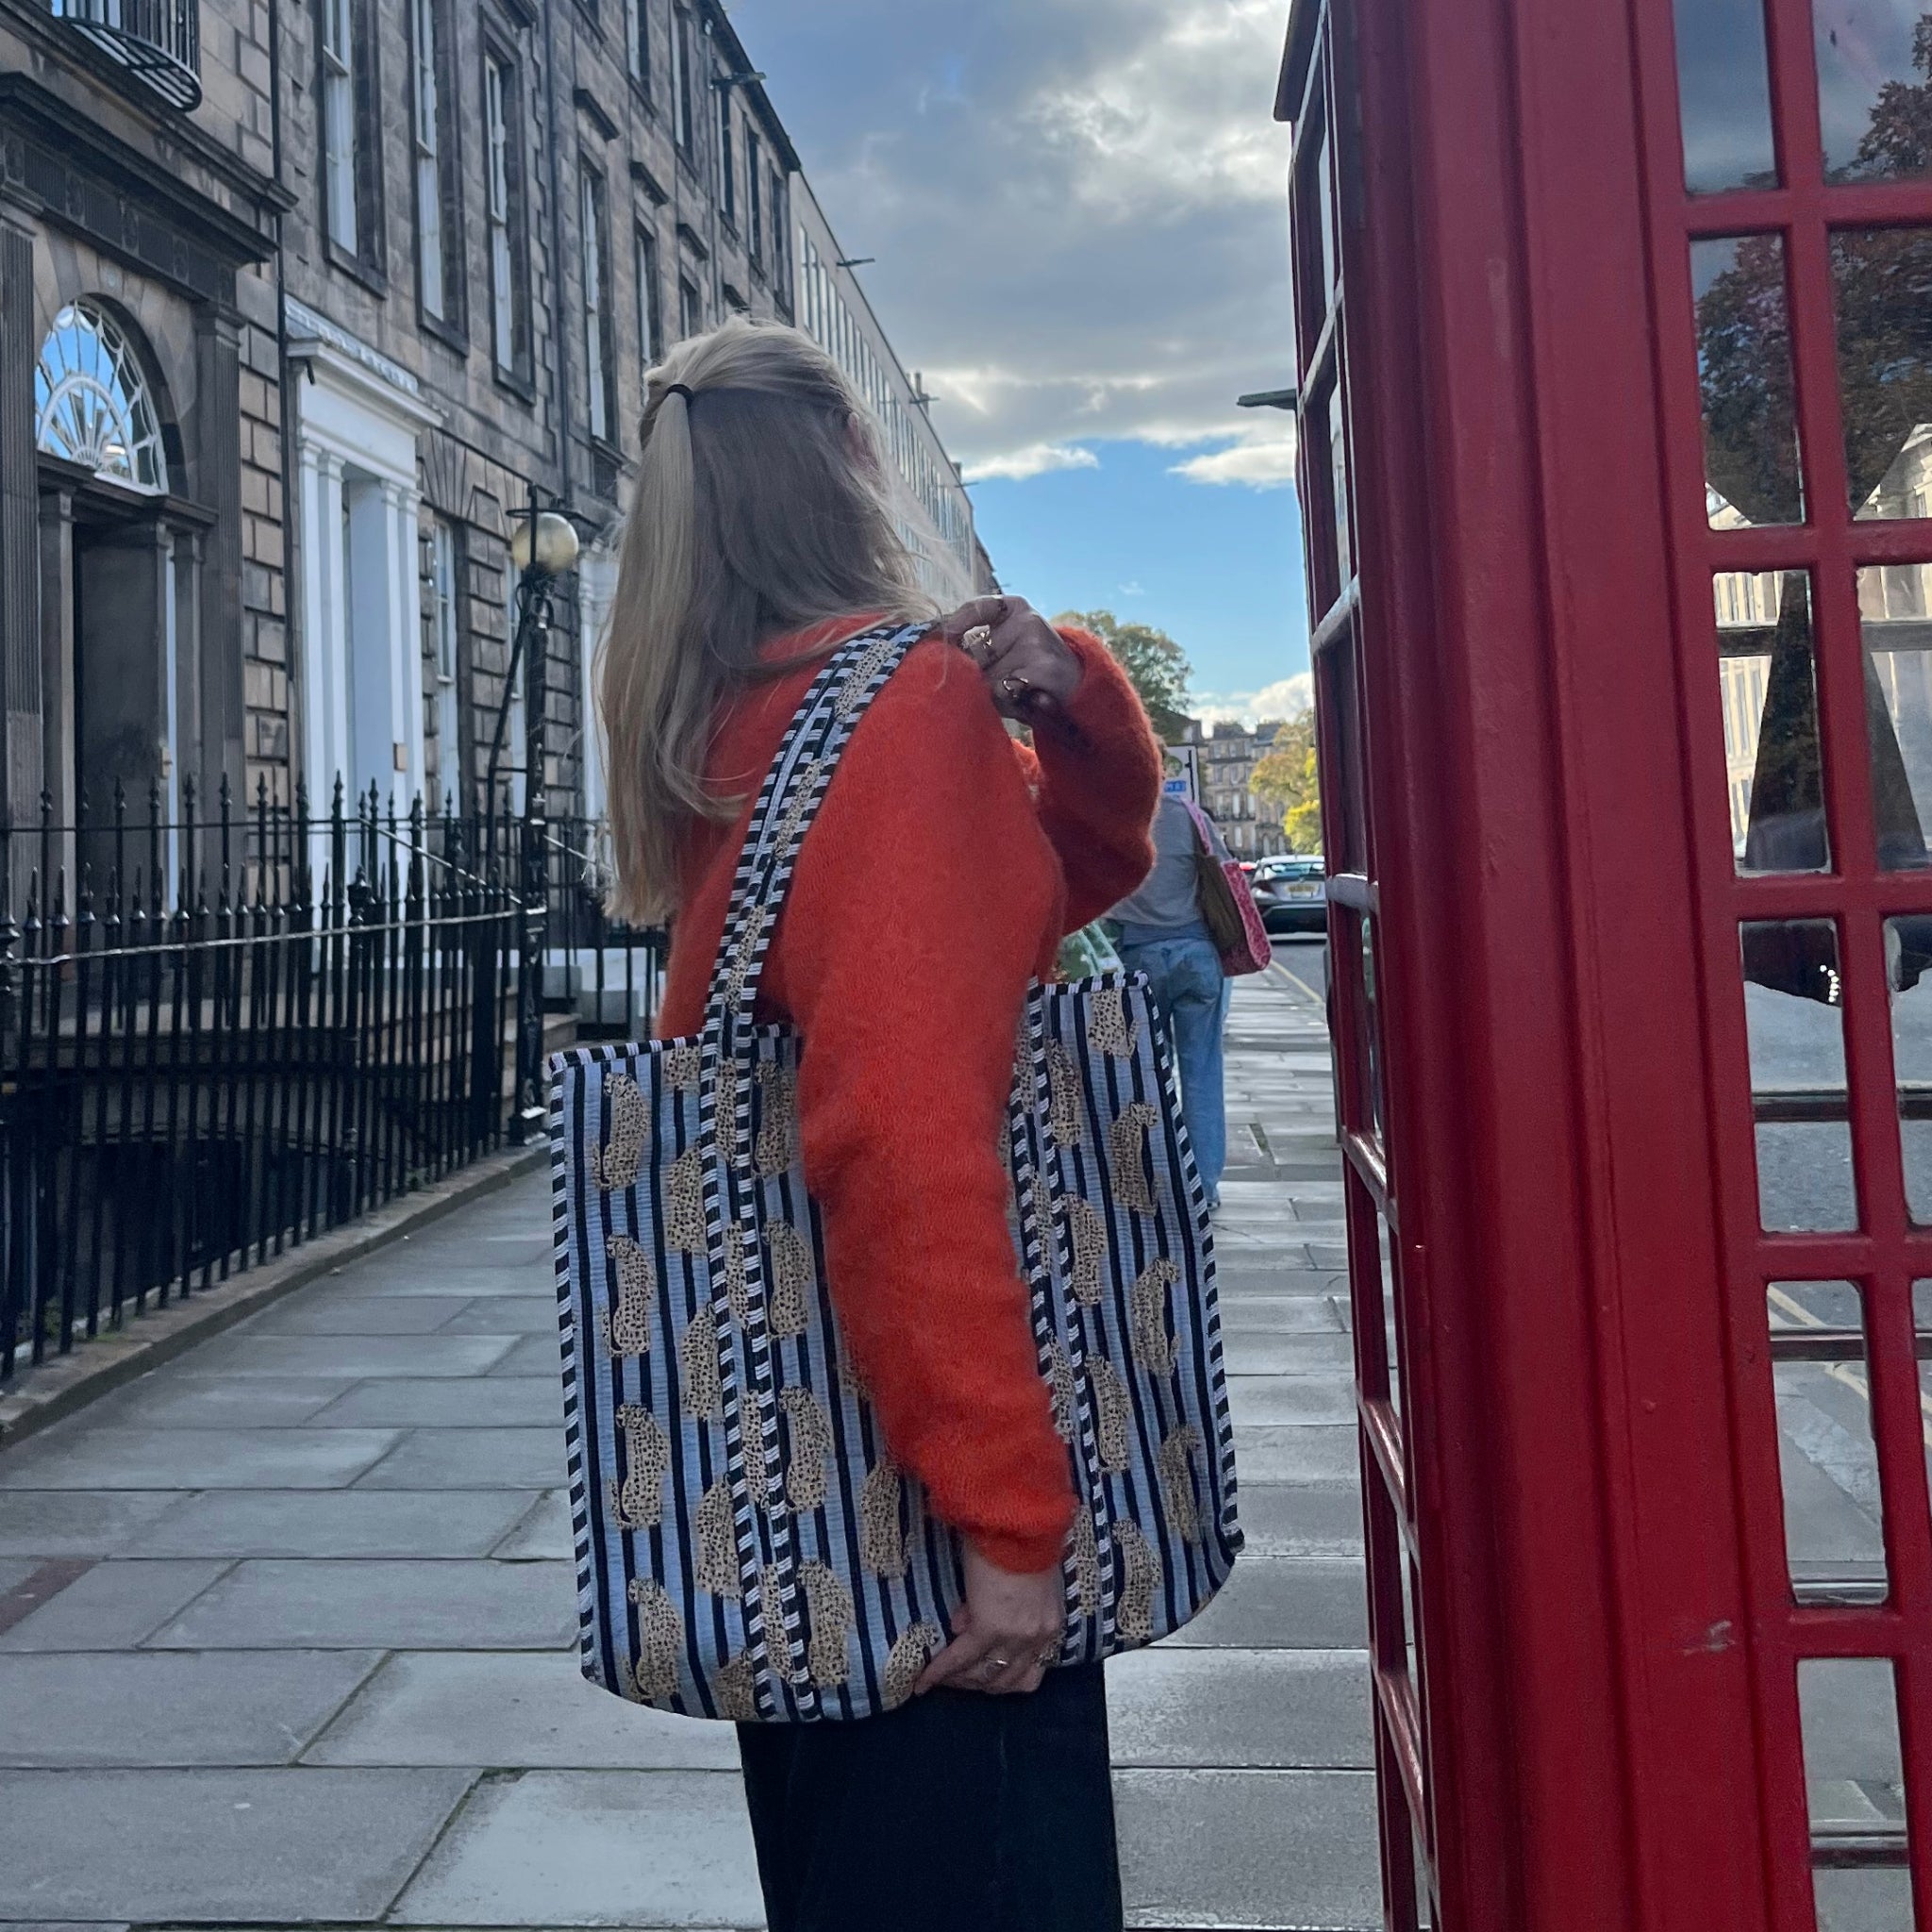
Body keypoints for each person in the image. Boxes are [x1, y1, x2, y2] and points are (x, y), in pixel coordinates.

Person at [596, 317, 1162, 1932]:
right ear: (851, 463)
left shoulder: (731, 726)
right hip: (910, 1505)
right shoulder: (898, 711)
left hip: (791, 1494)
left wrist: (1074, 704)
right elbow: (899, 1141)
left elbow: (1053, 887)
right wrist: (1008, 1519)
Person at [1107, 791, 1234, 1209]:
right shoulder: (1191, 816)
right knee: (1202, 1072)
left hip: (1137, 959)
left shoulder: (1117, 817)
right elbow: (1227, 874)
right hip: (1196, 954)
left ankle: (1153, 1183)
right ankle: (1203, 1187)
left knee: (1146, 1078)